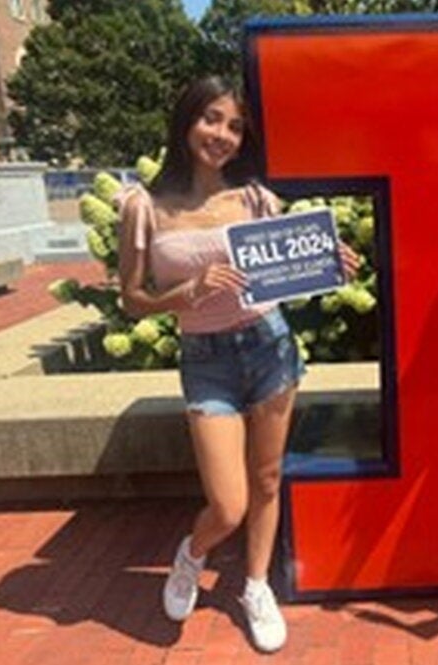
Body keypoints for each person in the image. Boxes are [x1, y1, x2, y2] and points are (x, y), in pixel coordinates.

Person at [117, 76, 359, 653]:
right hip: (206, 361)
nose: (222, 135)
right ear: (185, 122)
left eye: (233, 125)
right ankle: (192, 553)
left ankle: (255, 585)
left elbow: (292, 265)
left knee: (268, 479)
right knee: (228, 503)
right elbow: (131, 299)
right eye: (211, 119)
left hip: (268, 345)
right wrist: (187, 292)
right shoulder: (144, 206)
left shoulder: (254, 198)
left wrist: (332, 263)